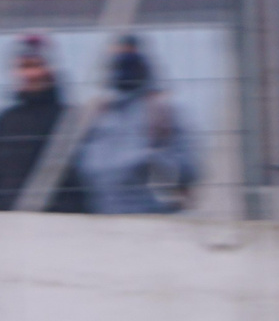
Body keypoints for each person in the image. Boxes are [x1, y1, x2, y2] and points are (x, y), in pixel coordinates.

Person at [77, 34, 201, 215]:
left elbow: (189, 170)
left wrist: (153, 161)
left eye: (130, 57)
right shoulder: (96, 114)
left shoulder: (163, 111)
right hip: (99, 226)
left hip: (155, 224)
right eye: (118, 59)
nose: (124, 65)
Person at [0, 35, 88, 212]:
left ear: (50, 69)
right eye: (23, 66)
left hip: (64, 223)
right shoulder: (4, 122)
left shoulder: (69, 118)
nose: (30, 74)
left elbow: (82, 181)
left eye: (35, 65)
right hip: (12, 224)